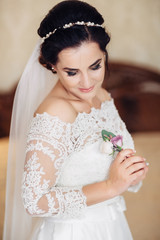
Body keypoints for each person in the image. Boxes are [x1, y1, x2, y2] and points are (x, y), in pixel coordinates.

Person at [3, 1, 148, 239]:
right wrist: (111, 186)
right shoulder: (55, 113)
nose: (87, 82)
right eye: (72, 72)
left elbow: (111, 154)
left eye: (95, 66)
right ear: (52, 66)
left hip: (111, 226)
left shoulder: (101, 95)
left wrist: (130, 174)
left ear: (104, 55)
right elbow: (34, 201)